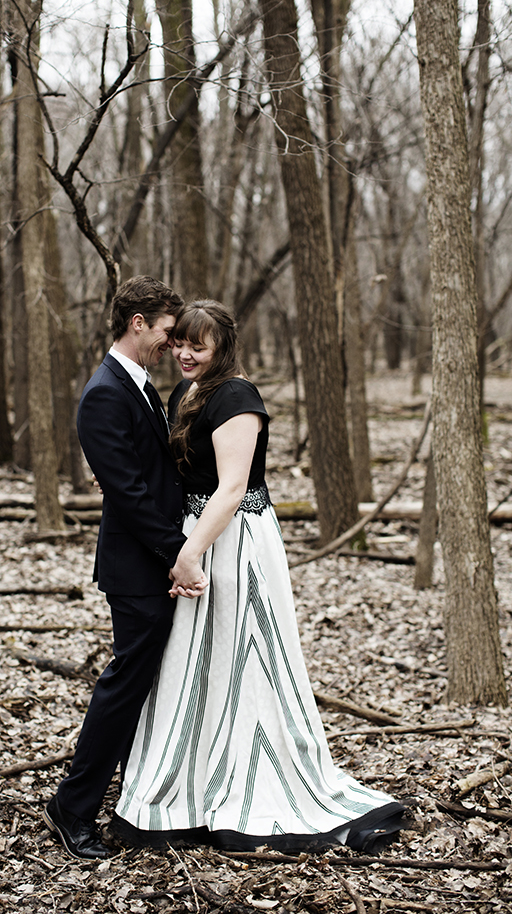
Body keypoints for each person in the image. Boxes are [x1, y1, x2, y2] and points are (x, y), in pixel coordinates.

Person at [111, 299, 405, 853]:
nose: (185, 353)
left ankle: (252, 777)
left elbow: (232, 489)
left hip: (235, 538)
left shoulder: (238, 398)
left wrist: (189, 555)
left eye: (199, 344)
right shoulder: (184, 393)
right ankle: (194, 781)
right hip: (194, 535)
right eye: (180, 342)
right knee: (194, 657)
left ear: (223, 345)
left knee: (243, 655)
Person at [44, 277, 207, 860]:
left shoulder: (139, 388)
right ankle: (73, 806)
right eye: (167, 330)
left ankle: (135, 796)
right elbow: (132, 495)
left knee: (139, 686)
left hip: (151, 561)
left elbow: (142, 472)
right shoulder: (105, 393)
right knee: (123, 687)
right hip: (138, 570)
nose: (172, 342)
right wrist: (180, 554)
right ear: (138, 322)